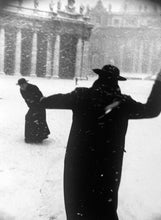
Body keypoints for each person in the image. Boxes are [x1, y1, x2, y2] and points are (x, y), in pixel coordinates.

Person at [40, 65, 161, 220]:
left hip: (78, 159)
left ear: (99, 77)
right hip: (108, 163)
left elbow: (54, 101)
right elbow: (151, 110)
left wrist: (42, 100)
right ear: (116, 82)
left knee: (77, 200)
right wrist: (158, 83)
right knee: (105, 204)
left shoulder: (81, 95)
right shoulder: (122, 103)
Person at [17, 78, 50, 143]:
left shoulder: (34, 87)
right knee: (28, 117)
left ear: (26, 83)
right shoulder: (21, 90)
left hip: (40, 105)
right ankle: (29, 137)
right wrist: (31, 105)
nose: (22, 87)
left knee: (39, 119)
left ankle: (39, 137)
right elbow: (26, 100)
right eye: (20, 85)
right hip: (32, 106)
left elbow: (40, 97)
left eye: (23, 85)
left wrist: (34, 102)